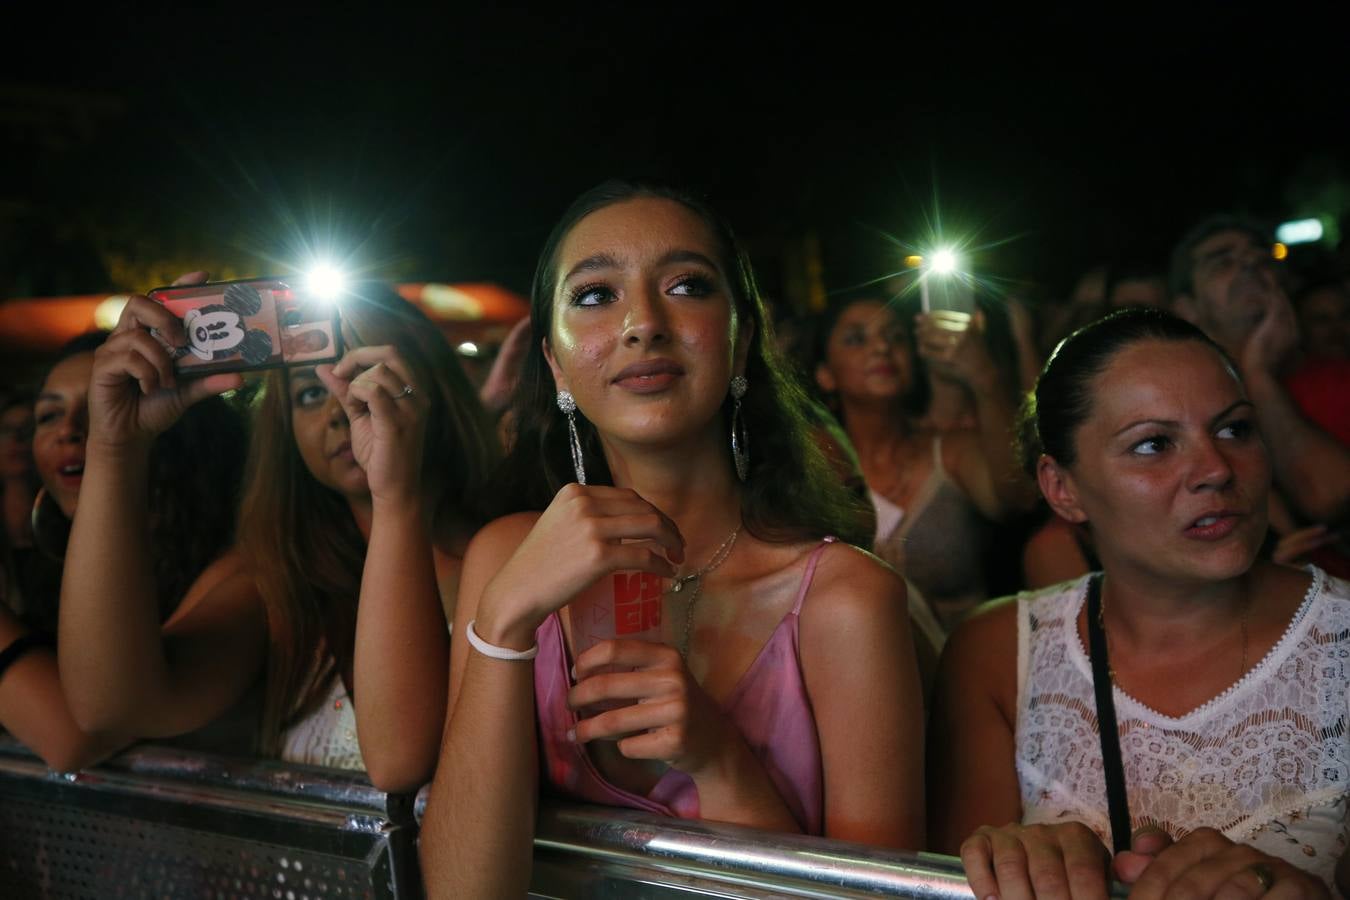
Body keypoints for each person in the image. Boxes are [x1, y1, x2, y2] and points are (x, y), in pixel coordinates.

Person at [420, 179, 925, 897]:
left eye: (687, 285)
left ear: (742, 339)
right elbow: (464, 890)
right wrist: (503, 623)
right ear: (557, 363)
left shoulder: (847, 599)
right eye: (596, 295)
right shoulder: (508, 560)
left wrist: (719, 759)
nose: (643, 324)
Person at [930, 308, 1346, 898]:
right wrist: (1019, 862)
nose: (1216, 470)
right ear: (1062, 488)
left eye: (1235, 429)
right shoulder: (1001, 653)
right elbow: (940, 883)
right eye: (1153, 444)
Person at [56, 279, 497, 790]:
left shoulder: (510, 553)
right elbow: (110, 704)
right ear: (284, 433)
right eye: (310, 393)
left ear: (438, 386)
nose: (341, 409)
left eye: (365, 375)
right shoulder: (277, 580)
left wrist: (397, 498)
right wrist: (116, 447)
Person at [2, 332, 247, 771]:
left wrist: (117, 446)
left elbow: (83, 732)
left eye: (103, 405)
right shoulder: (39, 571)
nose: (69, 431)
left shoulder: (245, 569)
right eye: (49, 414)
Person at [811, 292, 1033, 636]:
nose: (882, 348)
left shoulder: (950, 452)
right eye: (857, 339)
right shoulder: (817, 470)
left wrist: (984, 378)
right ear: (825, 374)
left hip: (965, 672)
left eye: (895, 336)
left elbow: (1019, 498)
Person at [1171, 216, 1350, 524]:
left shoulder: (1338, 378)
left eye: (1261, 258)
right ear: (1188, 308)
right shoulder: (1178, 404)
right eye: (1222, 262)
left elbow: (1332, 496)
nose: (1248, 266)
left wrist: (1258, 374)